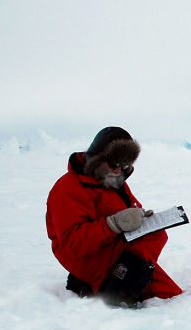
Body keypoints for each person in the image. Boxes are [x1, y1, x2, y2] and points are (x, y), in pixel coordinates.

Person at [46, 126, 183, 306]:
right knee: (168, 300)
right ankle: (107, 288)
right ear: (96, 159)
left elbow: (131, 206)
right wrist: (114, 224)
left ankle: (120, 280)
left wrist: (141, 216)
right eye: (113, 164)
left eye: (123, 165)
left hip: (117, 250)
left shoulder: (112, 180)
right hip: (89, 258)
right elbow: (72, 243)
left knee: (172, 294)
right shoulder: (68, 188)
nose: (118, 170)